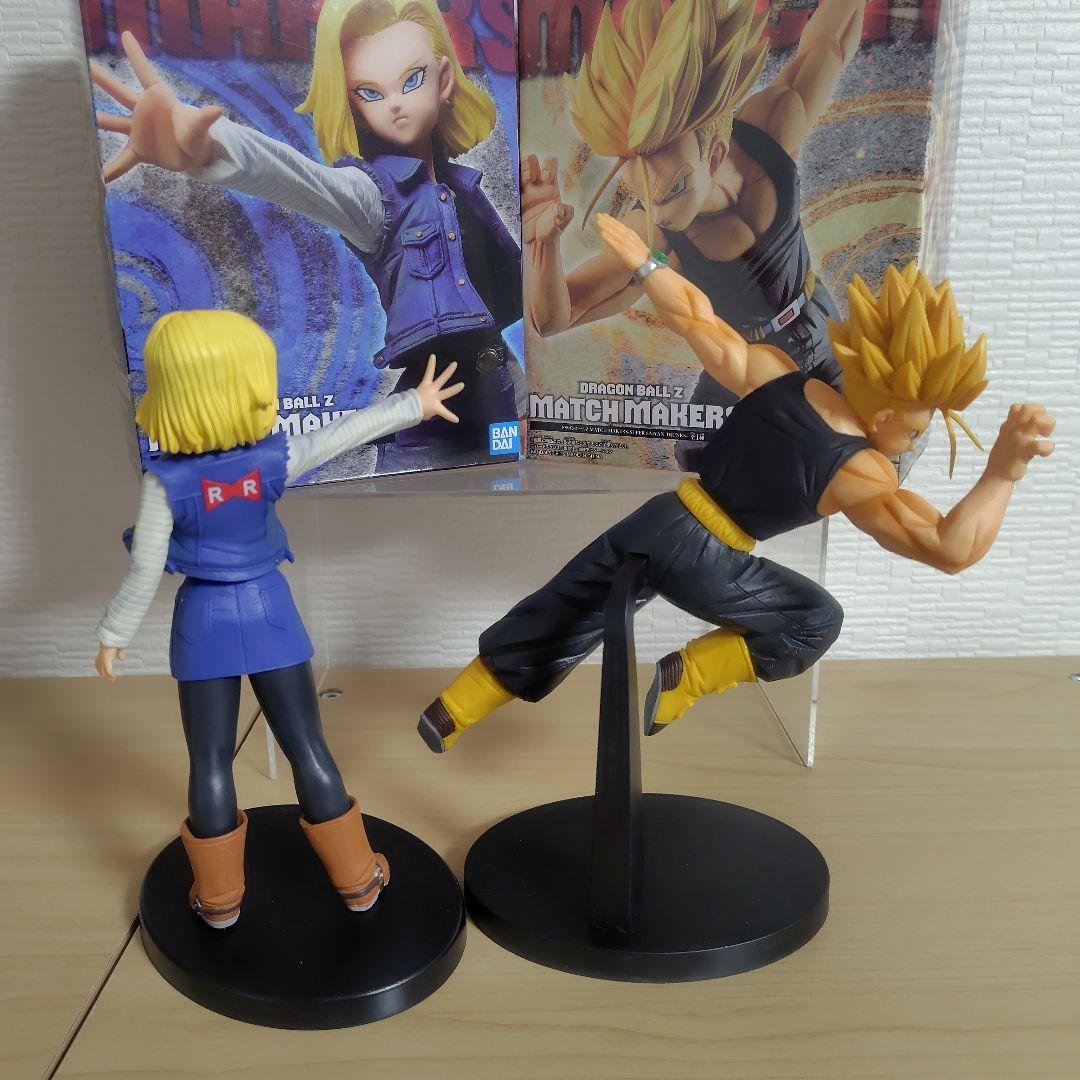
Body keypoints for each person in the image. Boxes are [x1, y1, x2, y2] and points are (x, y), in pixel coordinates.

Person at [416, 215, 1055, 753]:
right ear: (886, 413)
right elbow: (948, 547)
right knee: (815, 620)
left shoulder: (781, 374)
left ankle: (453, 709)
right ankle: (688, 676)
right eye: (916, 429)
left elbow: (697, 318)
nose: (912, 442)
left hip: (662, 518)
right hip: (711, 556)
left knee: (568, 603)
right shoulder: (863, 471)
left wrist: (644, 263)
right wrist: (1003, 471)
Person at [94, 310, 462, 926]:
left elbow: (144, 571)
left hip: (202, 622)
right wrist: (412, 405)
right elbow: (340, 435)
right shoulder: (270, 460)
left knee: (210, 761)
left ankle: (220, 902)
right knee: (307, 746)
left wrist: (113, 636)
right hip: (270, 611)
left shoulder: (165, 484)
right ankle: (358, 880)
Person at [90, 0, 520, 473]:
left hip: (501, 397)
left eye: (412, 79)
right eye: (370, 92)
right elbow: (300, 179)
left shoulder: (466, 190)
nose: (395, 103)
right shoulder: (372, 195)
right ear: (354, 107)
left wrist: (547, 237)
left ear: (444, 79)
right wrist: (211, 146)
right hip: (432, 424)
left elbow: (515, 296)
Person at [522, 0, 867, 466]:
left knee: (868, 448)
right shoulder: (653, 236)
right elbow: (555, 319)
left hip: (819, 325)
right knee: (698, 458)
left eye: (671, 188)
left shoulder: (769, 131)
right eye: (640, 189)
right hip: (739, 361)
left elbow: (829, 46)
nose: (658, 210)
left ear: (715, 153)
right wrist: (543, 244)